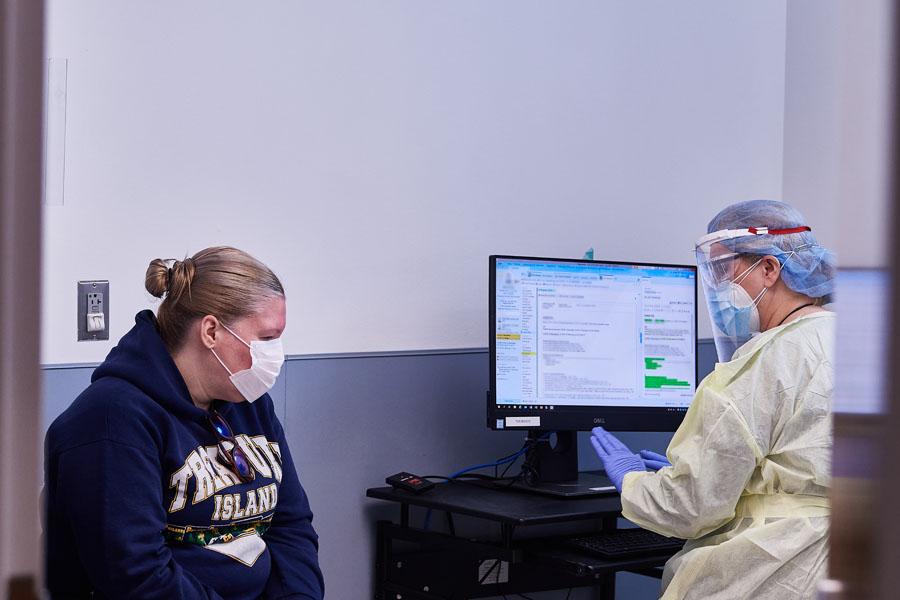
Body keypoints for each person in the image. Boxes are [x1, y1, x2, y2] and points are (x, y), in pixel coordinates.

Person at [44, 246, 324, 599]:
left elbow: (291, 524)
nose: (276, 353)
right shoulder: (111, 420)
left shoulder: (250, 404)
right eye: (267, 338)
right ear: (210, 331)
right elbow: (136, 574)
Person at [591, 200, 835, 599]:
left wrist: (634, 484)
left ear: (770, 269)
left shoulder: (757, 366)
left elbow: (690, 507)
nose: (719, 287)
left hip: (779, 568)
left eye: (724, 269)